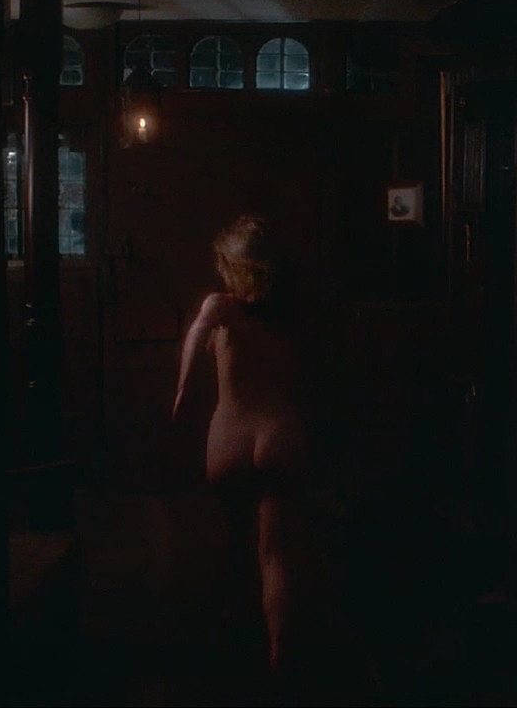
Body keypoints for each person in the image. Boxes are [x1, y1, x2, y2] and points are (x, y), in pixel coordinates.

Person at [171, 214, 317, 683]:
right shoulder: (291, 319)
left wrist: (183, 388)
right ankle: (279, 653)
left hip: (231, 438)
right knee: (275, 554)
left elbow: (197, 334)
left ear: (233, 266)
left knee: (235, 540)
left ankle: (234, 631)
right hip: (278, 436)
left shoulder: (221, 307)